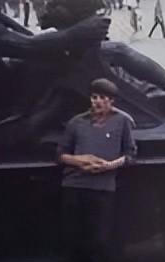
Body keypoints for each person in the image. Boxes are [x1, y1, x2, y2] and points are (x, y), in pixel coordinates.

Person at [57, 78, 136, 262]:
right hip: (74, 186)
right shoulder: (76, 122)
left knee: (100, 240)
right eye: (94, 97)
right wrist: (80, 161)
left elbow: (130, 155)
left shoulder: (122, 121)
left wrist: (108, 165)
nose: (97, 102)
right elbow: (60, 155)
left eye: (102, 98)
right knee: (74, 239)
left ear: (111, 100)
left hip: (102, 189)